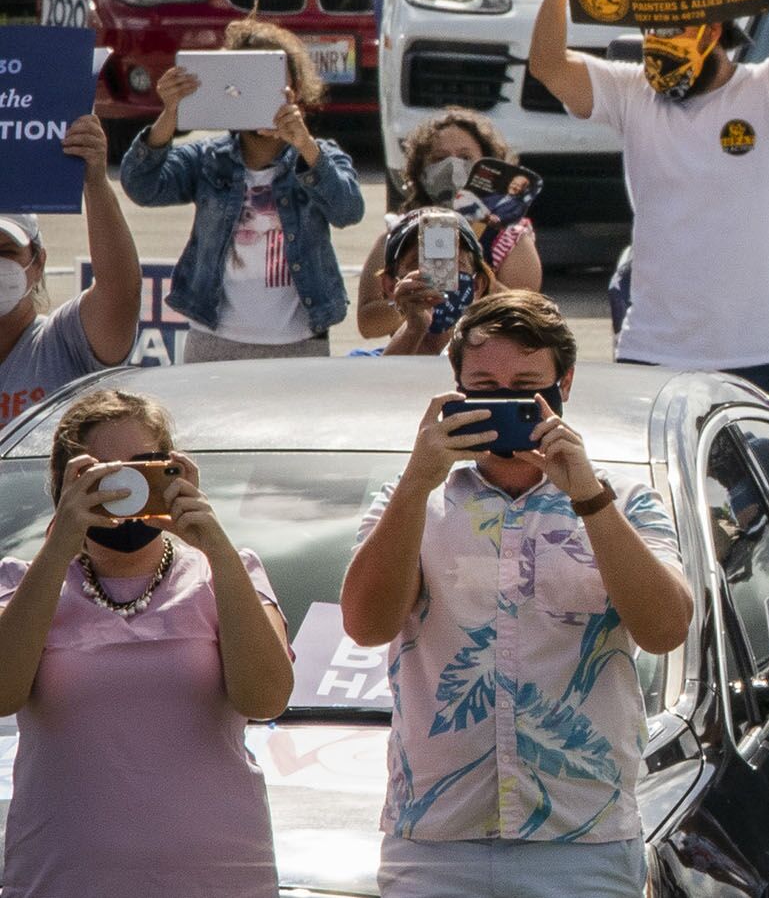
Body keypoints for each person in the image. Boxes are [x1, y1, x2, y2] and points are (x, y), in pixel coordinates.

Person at [340, 291, 692, 898]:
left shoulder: (625, 499)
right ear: (454, 389)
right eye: (484, 386)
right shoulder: (413, 498)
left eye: (525, 384)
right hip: (435, 840)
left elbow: (665, 629)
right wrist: (418, 478)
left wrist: (588, 497)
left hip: (582, 841)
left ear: (565, 384)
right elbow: (368, 625)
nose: (504, 401)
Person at [529, 0, 769, 408]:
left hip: (752, 348)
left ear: (714, 32)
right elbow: (549, 65)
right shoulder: (633, 94)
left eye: (674, 31)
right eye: (653, 31)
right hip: (653, 345)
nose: (660, 45)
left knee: (751, 489)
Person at [0, 388, 293, 895]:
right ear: (64, 484)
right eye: (101, 473)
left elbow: (266, 698)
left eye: (144, 468)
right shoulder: (23, 584)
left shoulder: (229, 572)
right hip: (62, 880)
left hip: (218, 880)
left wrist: (214, 546)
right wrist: (57, 549)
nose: (124, 487)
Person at [120, 20, 366, 361]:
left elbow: (349, 211)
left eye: (272, 79)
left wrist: (306, 147)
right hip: (213, 337)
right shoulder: (206, 158)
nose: (261, 93)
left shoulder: (320, 154)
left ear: (296, 88)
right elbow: (141, 186)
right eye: (247, 81)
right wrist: (169, 116)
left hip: (300, 340)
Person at [0, 118, 142, 424]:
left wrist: (94, 181)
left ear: (38, 263)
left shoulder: (61, 342)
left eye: (6, 252)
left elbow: (119, 294)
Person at [358, 109, 542, 340]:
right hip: (413, 359)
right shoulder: (397, 237)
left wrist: (482, 284)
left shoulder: (508, 240)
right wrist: (404, 305)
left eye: (465, 158)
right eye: (439, 158)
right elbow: (367, 326)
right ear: (421, 171)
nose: (453, 166)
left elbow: (529, 320)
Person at [370, 208, 499, 358]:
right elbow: (382, 380)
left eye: (452, 264)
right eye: (419, 263)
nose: (437, 275)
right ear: (390, 286)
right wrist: (413, 330)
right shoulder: (364, 364)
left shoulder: (496, 366)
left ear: (477, 285)